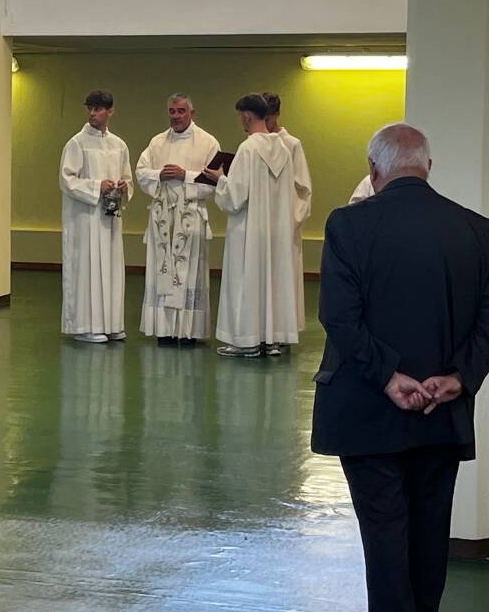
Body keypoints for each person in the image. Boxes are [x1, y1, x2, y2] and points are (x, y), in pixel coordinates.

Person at [311, 123, 489, 612]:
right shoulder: (476, 230)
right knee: (431, 539)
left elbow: (340, 318)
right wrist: (458, 377)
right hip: (442, 412)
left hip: (369, 411)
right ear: (428, 167)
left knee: (385, 540)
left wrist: (389, 376)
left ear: (373, 170)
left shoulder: (347, 225)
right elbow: (487, 322)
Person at [202, 93, 297, 358]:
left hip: (248, 229)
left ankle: (245, 341)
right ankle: (271, 339)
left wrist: (221, 178)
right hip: (274, 229)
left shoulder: (249, 148)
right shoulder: (283, 149)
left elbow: (236, 197)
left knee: (245, 280)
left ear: (246, 115)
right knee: (272, 281)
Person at [135, 93, 220, 346]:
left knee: (188, 272)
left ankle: (189, 331)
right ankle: (163, 329)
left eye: (181, 111)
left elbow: (215, 180)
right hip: (163, 216)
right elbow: (141, 172)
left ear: (192, 113)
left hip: (190, 217)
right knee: (163, 270)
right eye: (171, 111)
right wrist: (160, 174)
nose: (175, 116)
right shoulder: (157, 142)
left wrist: (186, 175)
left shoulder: (207, 142)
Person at [59, 90, 133, 343]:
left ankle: (111, 324)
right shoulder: (77, 143)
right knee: (87, 268)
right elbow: (67, 180)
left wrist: (124, 188)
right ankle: (84, 326)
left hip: (110, 217)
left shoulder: (118, 144)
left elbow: (128, 176)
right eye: (90, 108)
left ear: (110, 111)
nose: (93, 113)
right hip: (85, 219)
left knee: (111, 268)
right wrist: (95, 186)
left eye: (98, 109)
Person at [264, 92, 312, 335]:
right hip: (261, 222)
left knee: (284, 277)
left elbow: (303, 187)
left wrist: (291, 221)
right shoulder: (254, 144)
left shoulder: (291, 144)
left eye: (269, 118)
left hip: (285, 221)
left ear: (276, 115)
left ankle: (284, 330)